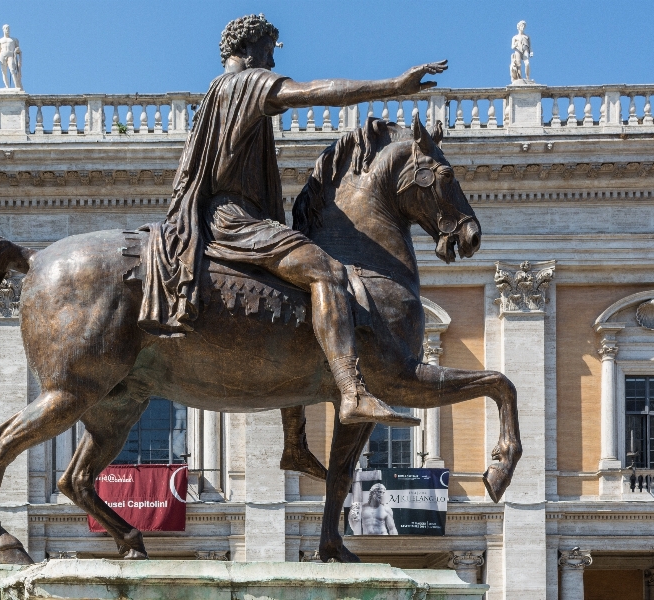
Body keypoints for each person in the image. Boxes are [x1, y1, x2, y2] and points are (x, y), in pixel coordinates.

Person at [138, 13, 445, 429]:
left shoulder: (214, 93)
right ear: (248, 50)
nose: (272, 63)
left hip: (216, 216)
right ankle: (353, 391)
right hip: (234, 219)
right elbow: (317, 92)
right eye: (267, 52)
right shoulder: (247, 83)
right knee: (326, 273)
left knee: (291, 305)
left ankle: (296, 443)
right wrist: (394, 87)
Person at [0, 24, 23, 90]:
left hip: (10, 55)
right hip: (2, 56)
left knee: (12, 70)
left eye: (8, 28)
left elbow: (18, 49)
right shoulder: (0, 40)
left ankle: (16, 86)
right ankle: (7, 86)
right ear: (3, 30)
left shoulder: (14, 40)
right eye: (6, 28)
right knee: (4, 72)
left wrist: (17, 50)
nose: (7, 30)